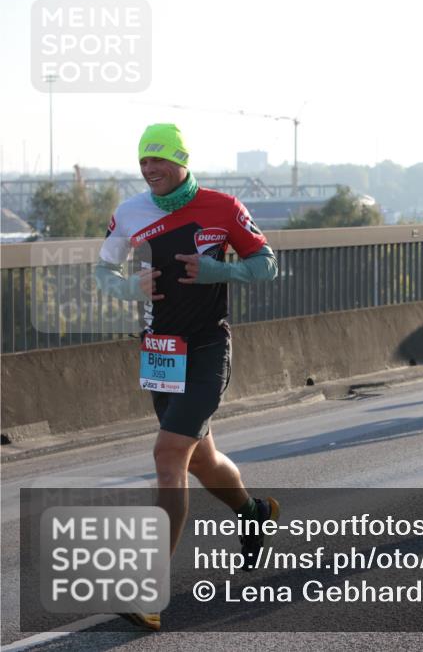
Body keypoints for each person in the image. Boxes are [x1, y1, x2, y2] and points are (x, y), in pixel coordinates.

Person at [95, 124, 280, 630]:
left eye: (158, 160)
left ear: (182, 161)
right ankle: (253, 511)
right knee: (203, 460)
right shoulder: (131, 212)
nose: (150, 170)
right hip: (159, 353)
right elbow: (101, 273)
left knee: (167, 454)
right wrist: (128, 288)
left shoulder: (222, 207)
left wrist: (220, 271)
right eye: (142, 163)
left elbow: (266, 266)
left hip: (206, 349)